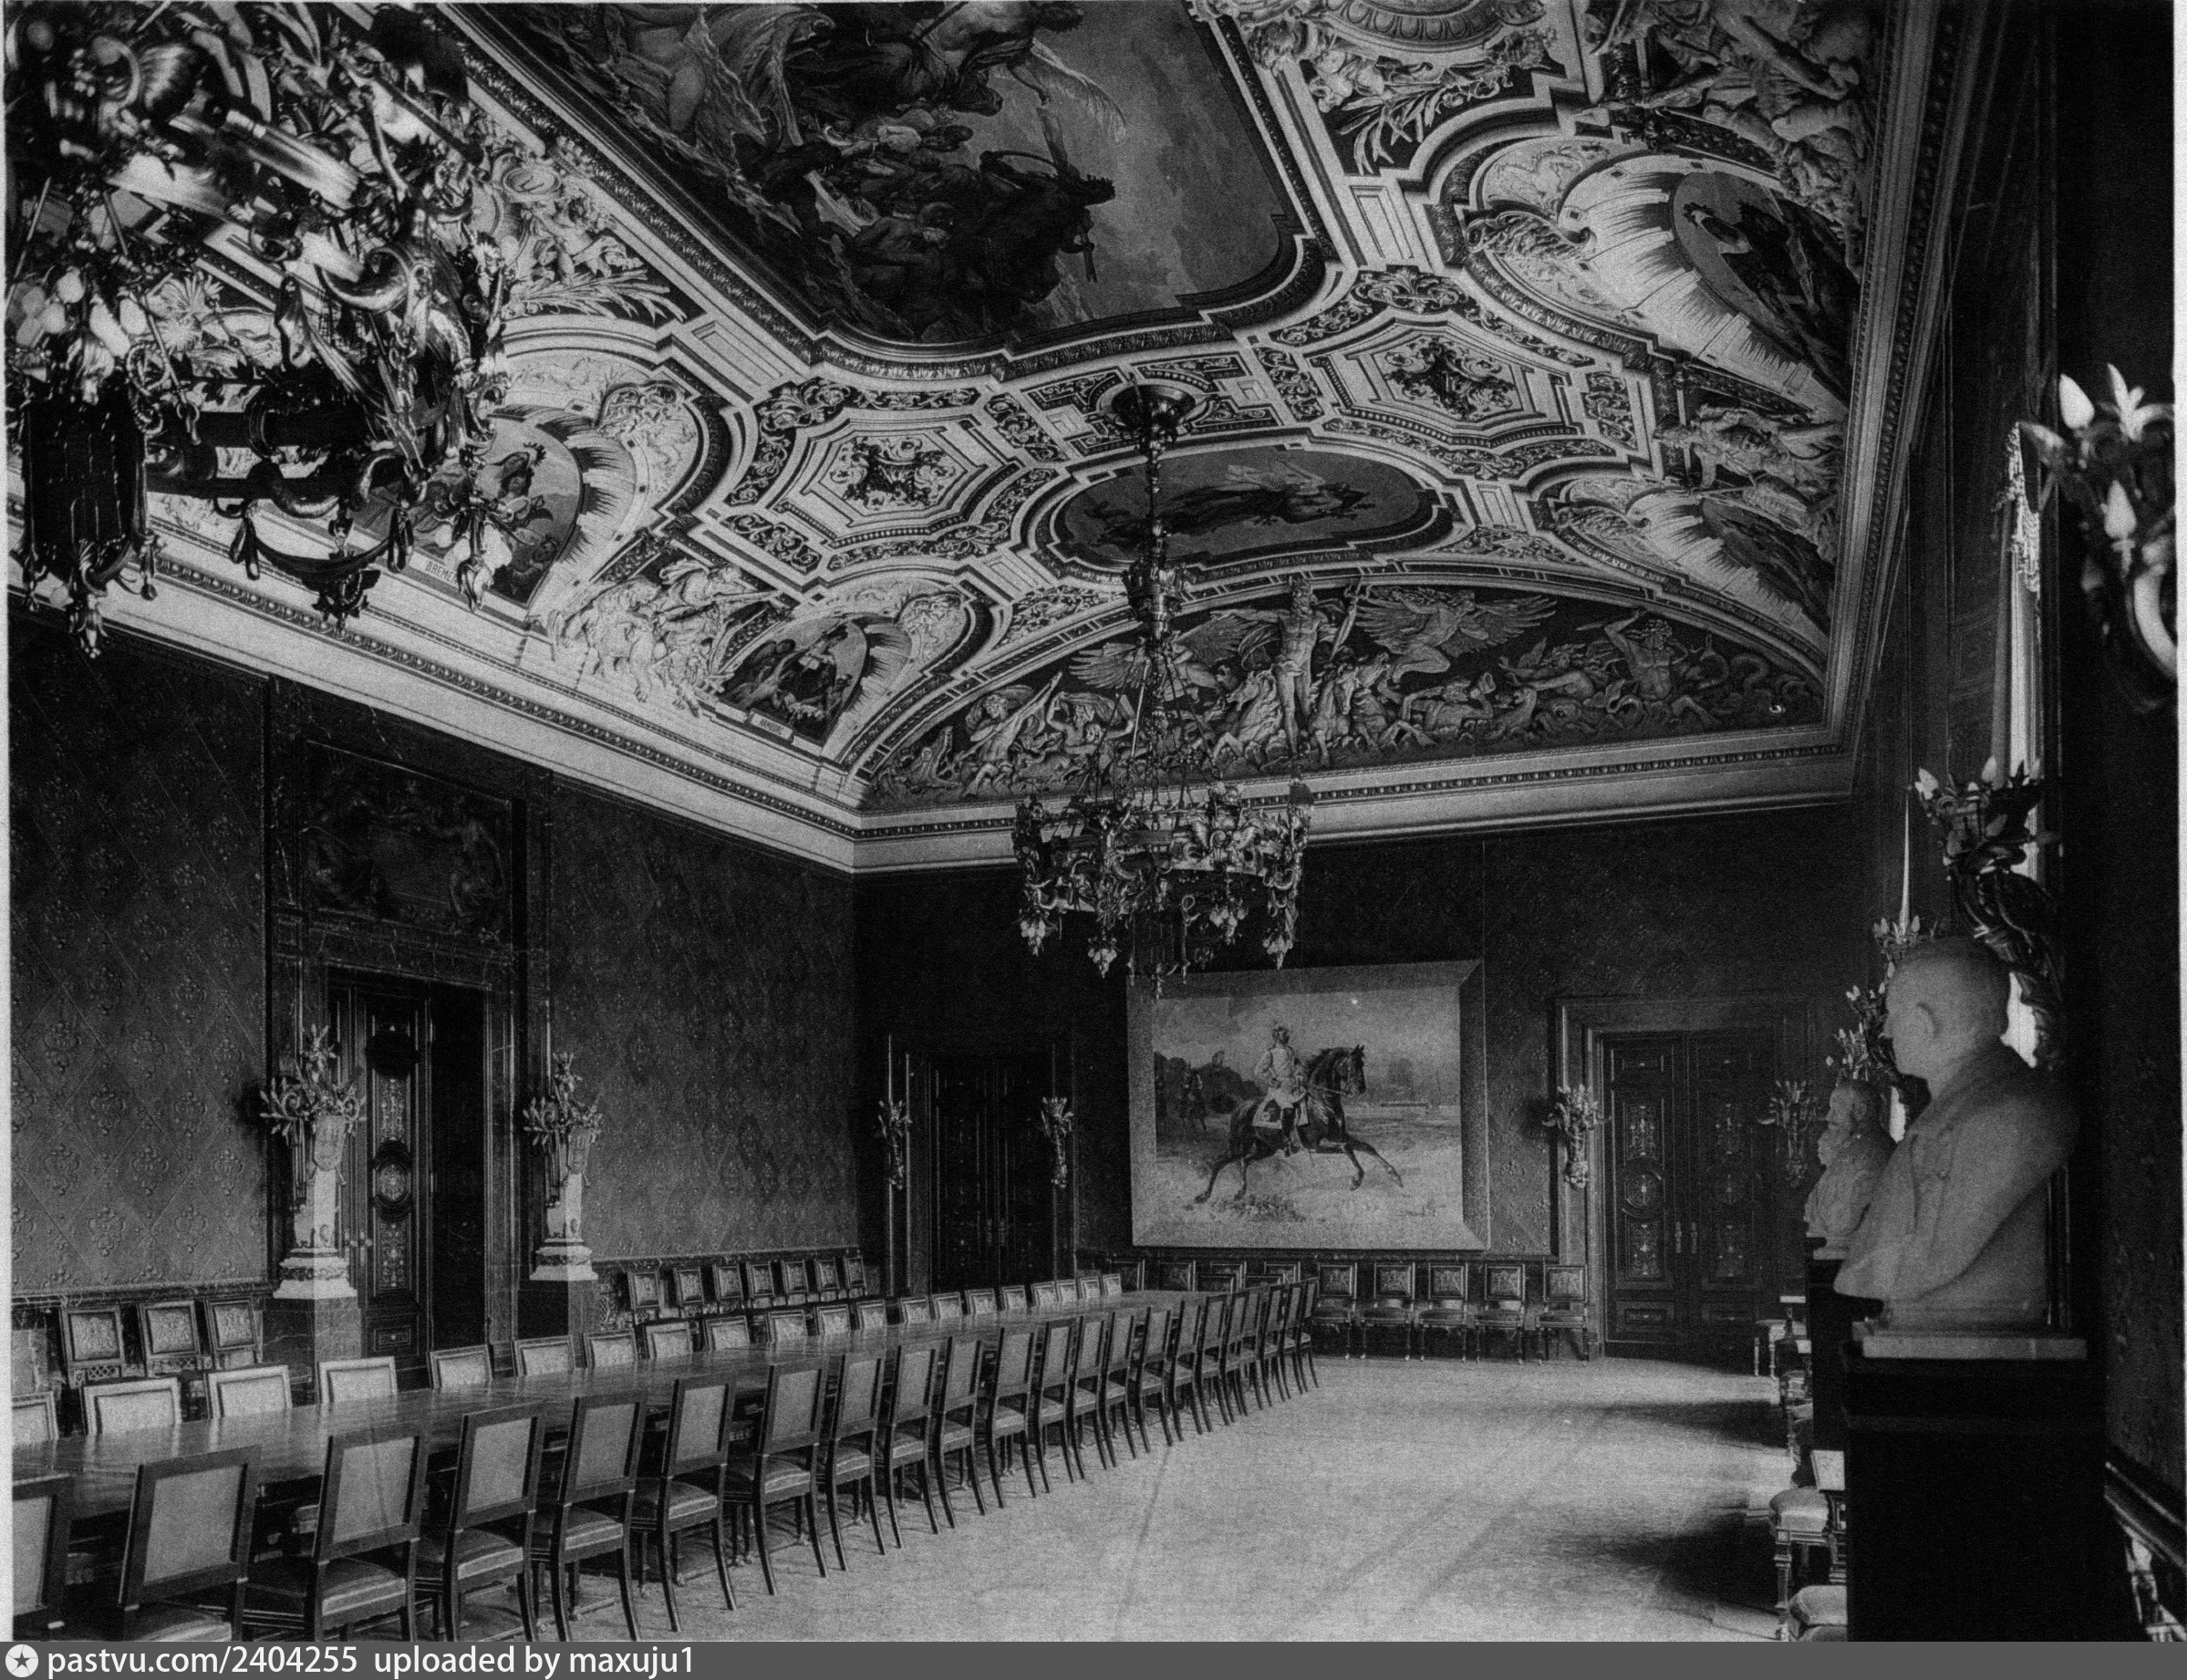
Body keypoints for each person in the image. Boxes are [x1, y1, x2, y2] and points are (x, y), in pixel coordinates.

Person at [1835, 939, 2077, 1333]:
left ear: (1926, 1022)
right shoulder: (1952, 1113)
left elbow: (1928, 1254)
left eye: (1893, 1014)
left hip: (1974, 1320)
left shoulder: (2014, 1117)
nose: (1888, 1031)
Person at [1804, 1078, 1892, 1259]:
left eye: (1835, 1110)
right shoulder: (1853, 1150)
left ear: (1860, 1111)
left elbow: (1839, 1223)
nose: (1829, 1117)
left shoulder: (1869, 1153)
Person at [1252, 1024, 1308, 1156]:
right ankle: (1286, 1140)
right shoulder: (1270, 1052)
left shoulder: (1290, 1050)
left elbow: (1297, 1066)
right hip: (1279, 1089)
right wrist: (1270, 1080)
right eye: (1284, 1034)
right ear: (1277, 1036)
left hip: (1293, 1086)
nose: (1287, 1036)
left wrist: (1299, 1075)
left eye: (1288, 1034)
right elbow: (1258, 1071)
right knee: (1288, 1109)